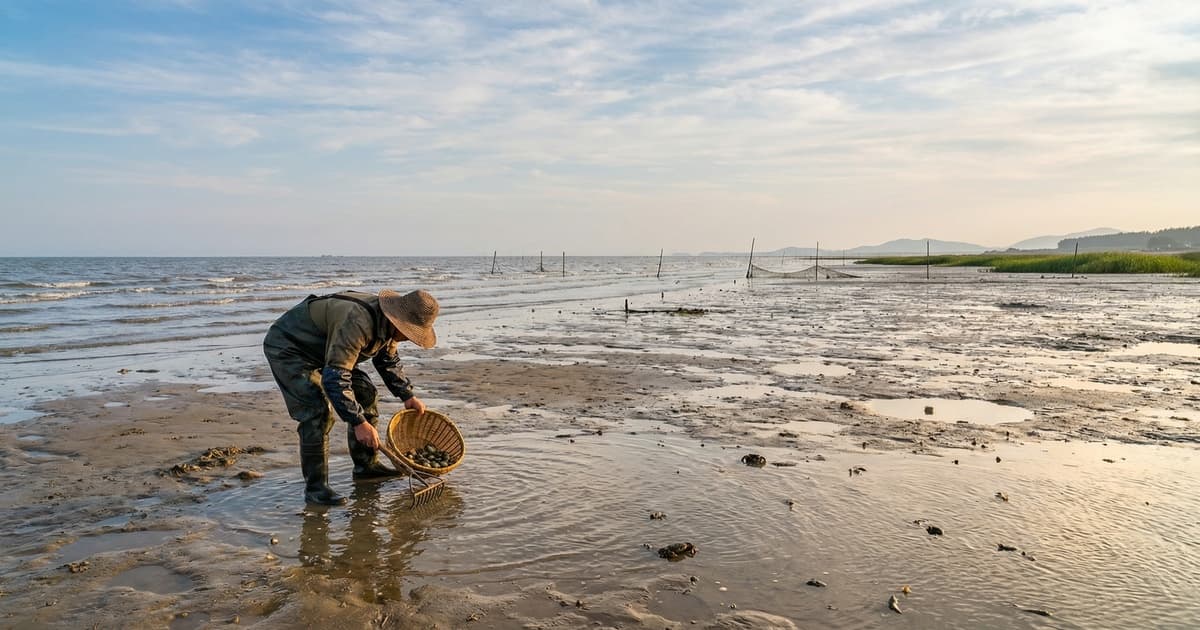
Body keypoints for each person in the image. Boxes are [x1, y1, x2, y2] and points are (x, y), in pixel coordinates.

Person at [263, 289, 439, 506]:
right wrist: (358, 422)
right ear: (399, 320)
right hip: (290, 347)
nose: (410, 338)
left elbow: (388, 360)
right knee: (316, 412)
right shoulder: (358, 322)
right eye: (410, 333)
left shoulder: (390, 325)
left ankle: (366, 466)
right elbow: (335, 377)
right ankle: (316, 489)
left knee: (366, 392)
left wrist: (407, 395)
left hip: (326, 350)